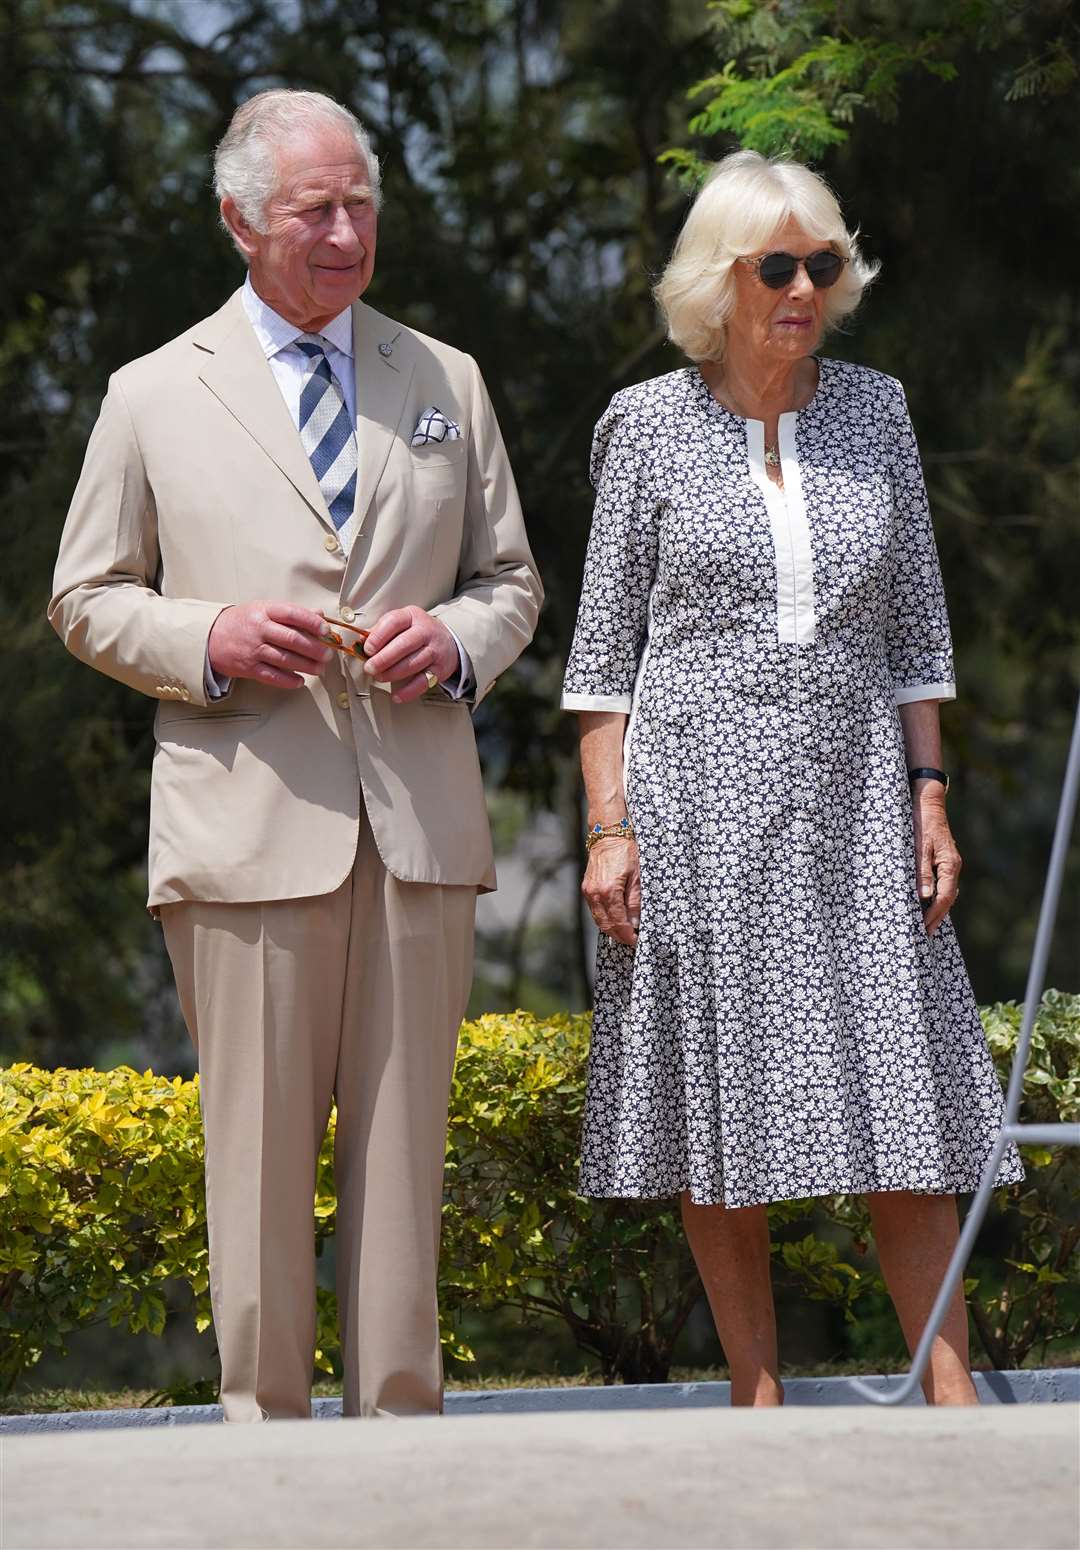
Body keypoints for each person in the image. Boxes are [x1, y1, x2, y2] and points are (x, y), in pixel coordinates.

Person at [50, 88, 541, 1421]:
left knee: (405, 1167)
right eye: (314, 207)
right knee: (256, 1172)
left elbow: (509, 579)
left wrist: (449, 645)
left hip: (420, 827)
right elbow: (85, 594)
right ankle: (258, 1457)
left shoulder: (446, 382)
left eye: (360, 202)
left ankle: (401, 1448)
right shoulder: (152, 394)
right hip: (244, 827)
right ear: (239, 218)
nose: (344, 231)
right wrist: (212, 634)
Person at [561, 149, 1021, 1408]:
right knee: (724, 1100)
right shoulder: (646, 425)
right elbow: (601, 665)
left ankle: (952, 1394)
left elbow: (917, 629)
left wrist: (931, 793)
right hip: (696, 799)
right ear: (722, 282)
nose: (806, 286)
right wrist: (610, 829)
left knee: (911, 1092)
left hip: (864, 788)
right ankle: (755, 1398)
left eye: (825, 263)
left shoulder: (879, 409)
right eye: (780, 266)